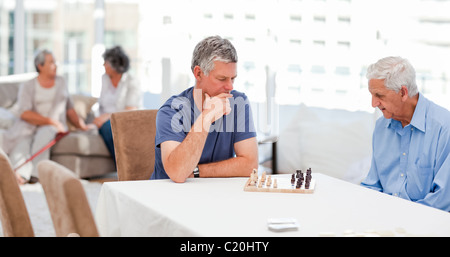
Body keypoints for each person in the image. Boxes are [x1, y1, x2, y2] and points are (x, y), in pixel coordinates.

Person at [151, 36, 258, 183]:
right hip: (168, 197)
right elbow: (178, 172)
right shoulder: (171, 110)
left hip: (212, 194)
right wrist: (206, 117)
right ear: (198, 73)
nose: (230, 87)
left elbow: (250, 165)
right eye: (222, 79)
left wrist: (196, 171)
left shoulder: (238, 103)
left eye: (233, 78)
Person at [361, 56, 450, 212]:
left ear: (403, 92)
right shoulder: (382, 126)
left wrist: (399, 218)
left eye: (379, 96)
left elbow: (442, 200)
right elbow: (372, 185)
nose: (373, 104)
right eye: (372, 95)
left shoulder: (444, 127)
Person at [2, 49, 93, 185]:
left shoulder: (61, 82)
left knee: (44, 135)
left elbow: (70, 109)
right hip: (30, 124)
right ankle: (20, 174)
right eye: (51, 62)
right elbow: (24, 113)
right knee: (22, 141)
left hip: (51, 127)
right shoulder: (28, 86)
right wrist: (51, 121)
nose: (56, 65)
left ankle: (36, 175)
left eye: (55, 62)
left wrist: (82, 126)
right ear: (40, 66)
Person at [92, 46, 141, 163]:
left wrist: (106, 117)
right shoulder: (104, 79)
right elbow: (101, 105)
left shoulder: (131, 80)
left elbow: (131, 110)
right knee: (102, 126)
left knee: (109, 127)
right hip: (103, 121)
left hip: (123, 120)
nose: (103, 65)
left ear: (115, 65)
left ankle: (124, 168)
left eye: (106, 62)